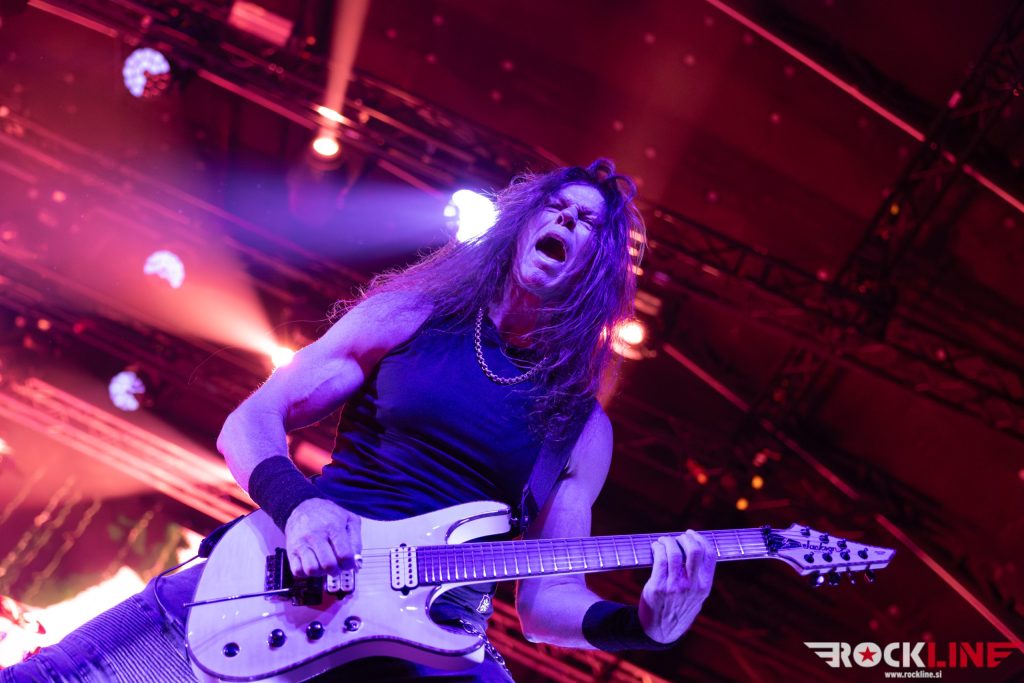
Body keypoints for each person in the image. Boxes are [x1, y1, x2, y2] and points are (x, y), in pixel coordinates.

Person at [0, 159, 716, 683]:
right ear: (523, 223)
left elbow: (547, 599)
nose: (567, 221)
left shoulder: (581, 426)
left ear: (594, 271)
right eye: (556, 207)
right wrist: (301, 507)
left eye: (588, 224)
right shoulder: (414, 316)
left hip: (429, 637)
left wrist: (642, 625)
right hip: (289, 578)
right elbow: (250, 421)